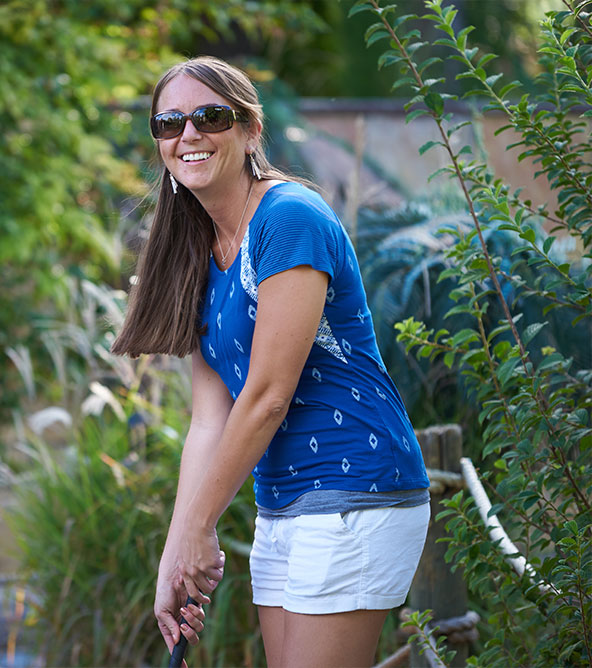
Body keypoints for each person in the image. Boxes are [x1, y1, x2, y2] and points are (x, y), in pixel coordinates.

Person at [111, 56, 431, 667]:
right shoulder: (194, 251)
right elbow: (210, 420)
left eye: (210, 116)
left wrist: (201, 527)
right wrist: (177, 551)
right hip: (281, 503)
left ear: (251, 130)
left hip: (354, 489)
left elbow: (266, 394)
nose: (189, 135)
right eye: (169, 123)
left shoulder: (288, 218)